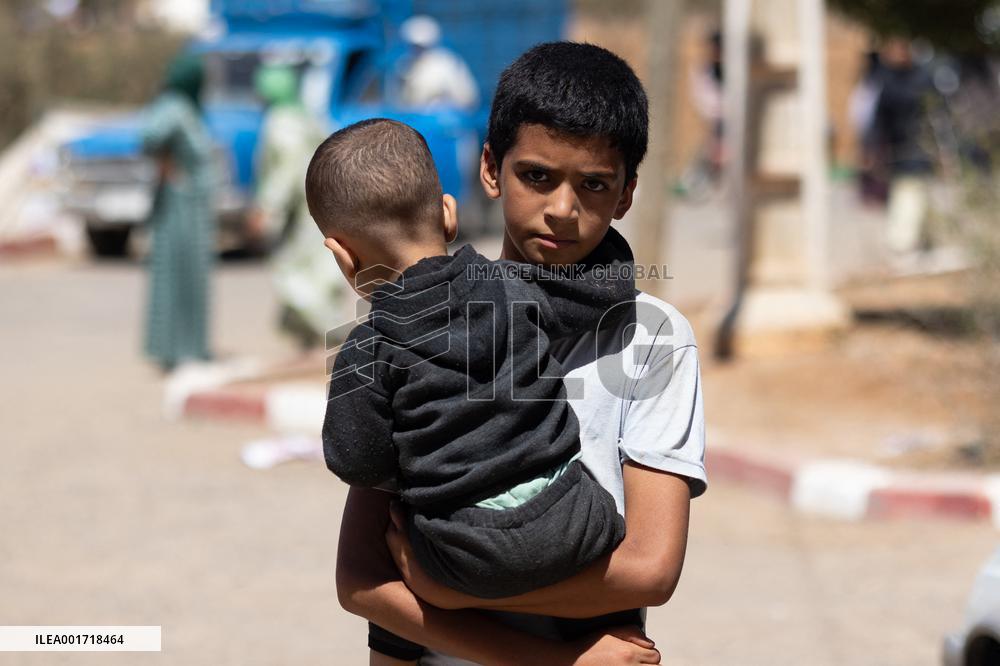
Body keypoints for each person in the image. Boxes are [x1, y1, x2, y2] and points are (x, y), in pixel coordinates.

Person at [332, 42, 707, 665]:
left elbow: (648, 569)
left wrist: (439, 585)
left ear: (627, 194)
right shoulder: (419, 322)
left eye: (593, 185)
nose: (562, 209)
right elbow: (361, 578)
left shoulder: (651, 340)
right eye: (537, 176)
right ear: (489, 169)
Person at [307, 118, 640, 661]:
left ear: (343, 256)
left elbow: (356, 463)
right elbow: (603, 292)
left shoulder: (364, 351)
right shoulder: (511, 287)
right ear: (447, 213)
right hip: (579, 524)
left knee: (398, 551)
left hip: (463, 562)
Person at [250, 64, 346, 350]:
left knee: (293, 271)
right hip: (321, 203)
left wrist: (266, 208)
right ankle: (309, 341)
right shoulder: (306, 116)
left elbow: (287, 169)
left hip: (298, 210)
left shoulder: (281, 122)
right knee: (318, 267)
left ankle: (326, 329)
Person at [141, 53, 215, 372]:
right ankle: (172, 349)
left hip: (194, 206)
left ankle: (191, 347)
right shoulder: (173, 106)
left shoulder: (187, 108)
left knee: (193, 275)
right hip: (178, 207)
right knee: (175, 272)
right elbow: (149, 137)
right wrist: (167, 166)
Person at [871, 39, 937, 256]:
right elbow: (880, 119)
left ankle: (914, 239)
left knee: (916, 192)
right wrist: (873, 147)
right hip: (898, 148)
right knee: (905, 192)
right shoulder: (888, 82)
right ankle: (903, 241)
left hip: (921, 146)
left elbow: (936, 113)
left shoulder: (923, 78)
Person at [392, 15, 480, 110]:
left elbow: (468, 98)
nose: (417, 50)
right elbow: (396, 102)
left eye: (422, 46)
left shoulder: (446, 63)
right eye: (414, 46)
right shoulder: (402, 65)